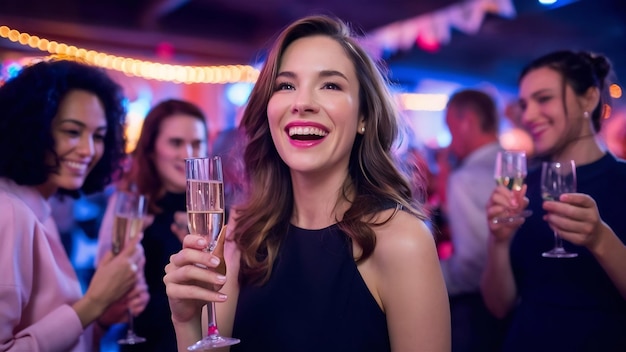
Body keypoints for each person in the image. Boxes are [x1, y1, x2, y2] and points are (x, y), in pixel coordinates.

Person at [163, 14, 450, 352]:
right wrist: (185, 321)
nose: (302, 103)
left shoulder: (402, 241)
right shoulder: (243, 231)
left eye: (330, 85)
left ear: (363, 117)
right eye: (286, 85)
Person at [481, 50, 626, 351]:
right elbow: (498, 307)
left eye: (543, 99)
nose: (529, 115)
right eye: (524, 104)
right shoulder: (523, 188)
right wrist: (498, 241)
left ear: (589, 99)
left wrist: (600, 239)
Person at [0, 58, 148, 351]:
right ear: (32, 128)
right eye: (72, 131)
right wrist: (94, 302)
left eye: (99, 136)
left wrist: (103, 317)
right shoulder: (11, 213)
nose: (88, 150)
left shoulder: (40, 210)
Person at [96, 99, 209, 351]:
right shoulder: (129, 204)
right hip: (146, 340)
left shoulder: (215, 210)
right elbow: (104, 281)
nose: (188, 154)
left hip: (200, 339)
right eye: (176, 143)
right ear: (151, 149)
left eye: (197, 143)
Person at [441, 89, 506, 351]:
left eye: (451, 128)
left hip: (477, 310)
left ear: (466, 122)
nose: (450, 140)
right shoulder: (517, 167)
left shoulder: (466, 178)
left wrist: (428, 274)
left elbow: (471, 267)